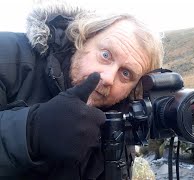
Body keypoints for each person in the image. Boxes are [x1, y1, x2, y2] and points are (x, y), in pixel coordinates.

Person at [0, 1, 163, 179]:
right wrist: (30, 133)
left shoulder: (119, 119)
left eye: (126, 73)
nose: (108, 78)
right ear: (83, 39)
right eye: (106, 55)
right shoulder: (7, 54)